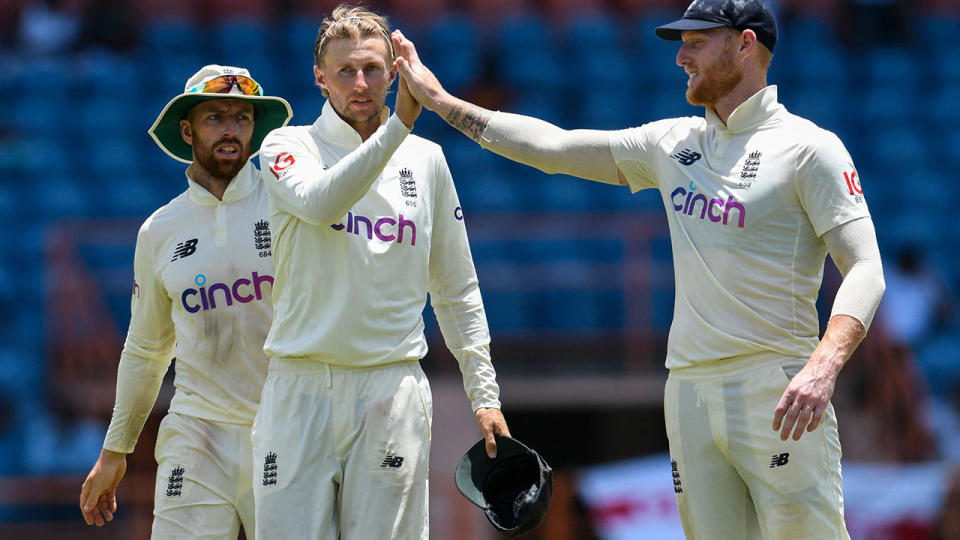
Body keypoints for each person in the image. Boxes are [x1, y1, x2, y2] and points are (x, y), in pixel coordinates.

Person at [393, 0, 885, 537]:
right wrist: (441, 103)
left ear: (745, 44)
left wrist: (824, 366)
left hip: (779, 387)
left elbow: (865, 268)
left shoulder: (810, 149)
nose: (681, 57)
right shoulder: (673, 143)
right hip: (689, 391)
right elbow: (553, 148)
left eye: (697, 41)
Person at [251, 4, 510, 539]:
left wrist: (485, 396)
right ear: (320, 78)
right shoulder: (286, 145)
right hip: (301, 386)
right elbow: (321, 203)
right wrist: (399, 128)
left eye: (373, 68)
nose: (361, 83)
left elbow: (456, 287)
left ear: (395, 74)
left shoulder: (427, 159)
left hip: (392, 387)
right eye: (345, 71)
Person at [79, 64, 292, 538]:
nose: (231, 130)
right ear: (186, 129)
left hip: (288, 430)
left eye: (242, 118)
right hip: (197, 434)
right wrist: (115, 449)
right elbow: (146, 349)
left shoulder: (290, 205)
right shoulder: (159, 230)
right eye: (215, 117)